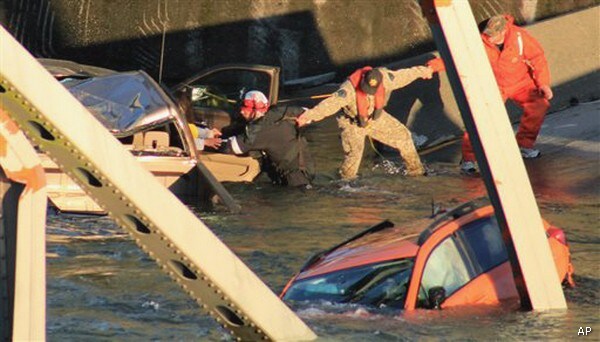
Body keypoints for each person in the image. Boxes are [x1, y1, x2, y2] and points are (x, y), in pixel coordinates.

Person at [430, 14, 553, 174]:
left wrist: (543, 83)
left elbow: (537, 59)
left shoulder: (519, 37)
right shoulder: (477, 40)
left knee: (539, 105)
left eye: (492, 35)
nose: (489, 37)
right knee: (479, 119)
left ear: (503, 31)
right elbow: (457, 57)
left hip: (521, 83)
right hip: (491, 86)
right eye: (487, 34)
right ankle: (469, 159)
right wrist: (432, 67)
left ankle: (524, 145)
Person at [296, 65, 435, 180]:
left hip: (375, 118)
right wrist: (308, 116)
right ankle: (345, 183)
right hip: (352, 122)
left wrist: (423, 71)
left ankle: (416, 173)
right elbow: (330, 105)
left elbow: (403, 75)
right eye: (366, 89)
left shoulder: (384, 77)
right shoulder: (348, 90)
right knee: (354, 157)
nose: (369, 93)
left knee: (403, 136)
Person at [221, 90, 314, 187]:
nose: (241, 111)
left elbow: (232, 147)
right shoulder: (280, 114)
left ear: (254, 110)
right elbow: (308, 113)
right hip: (305, 171)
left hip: (293, 182)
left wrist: (208, 141)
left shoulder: (260, 129)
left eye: (245, 107)